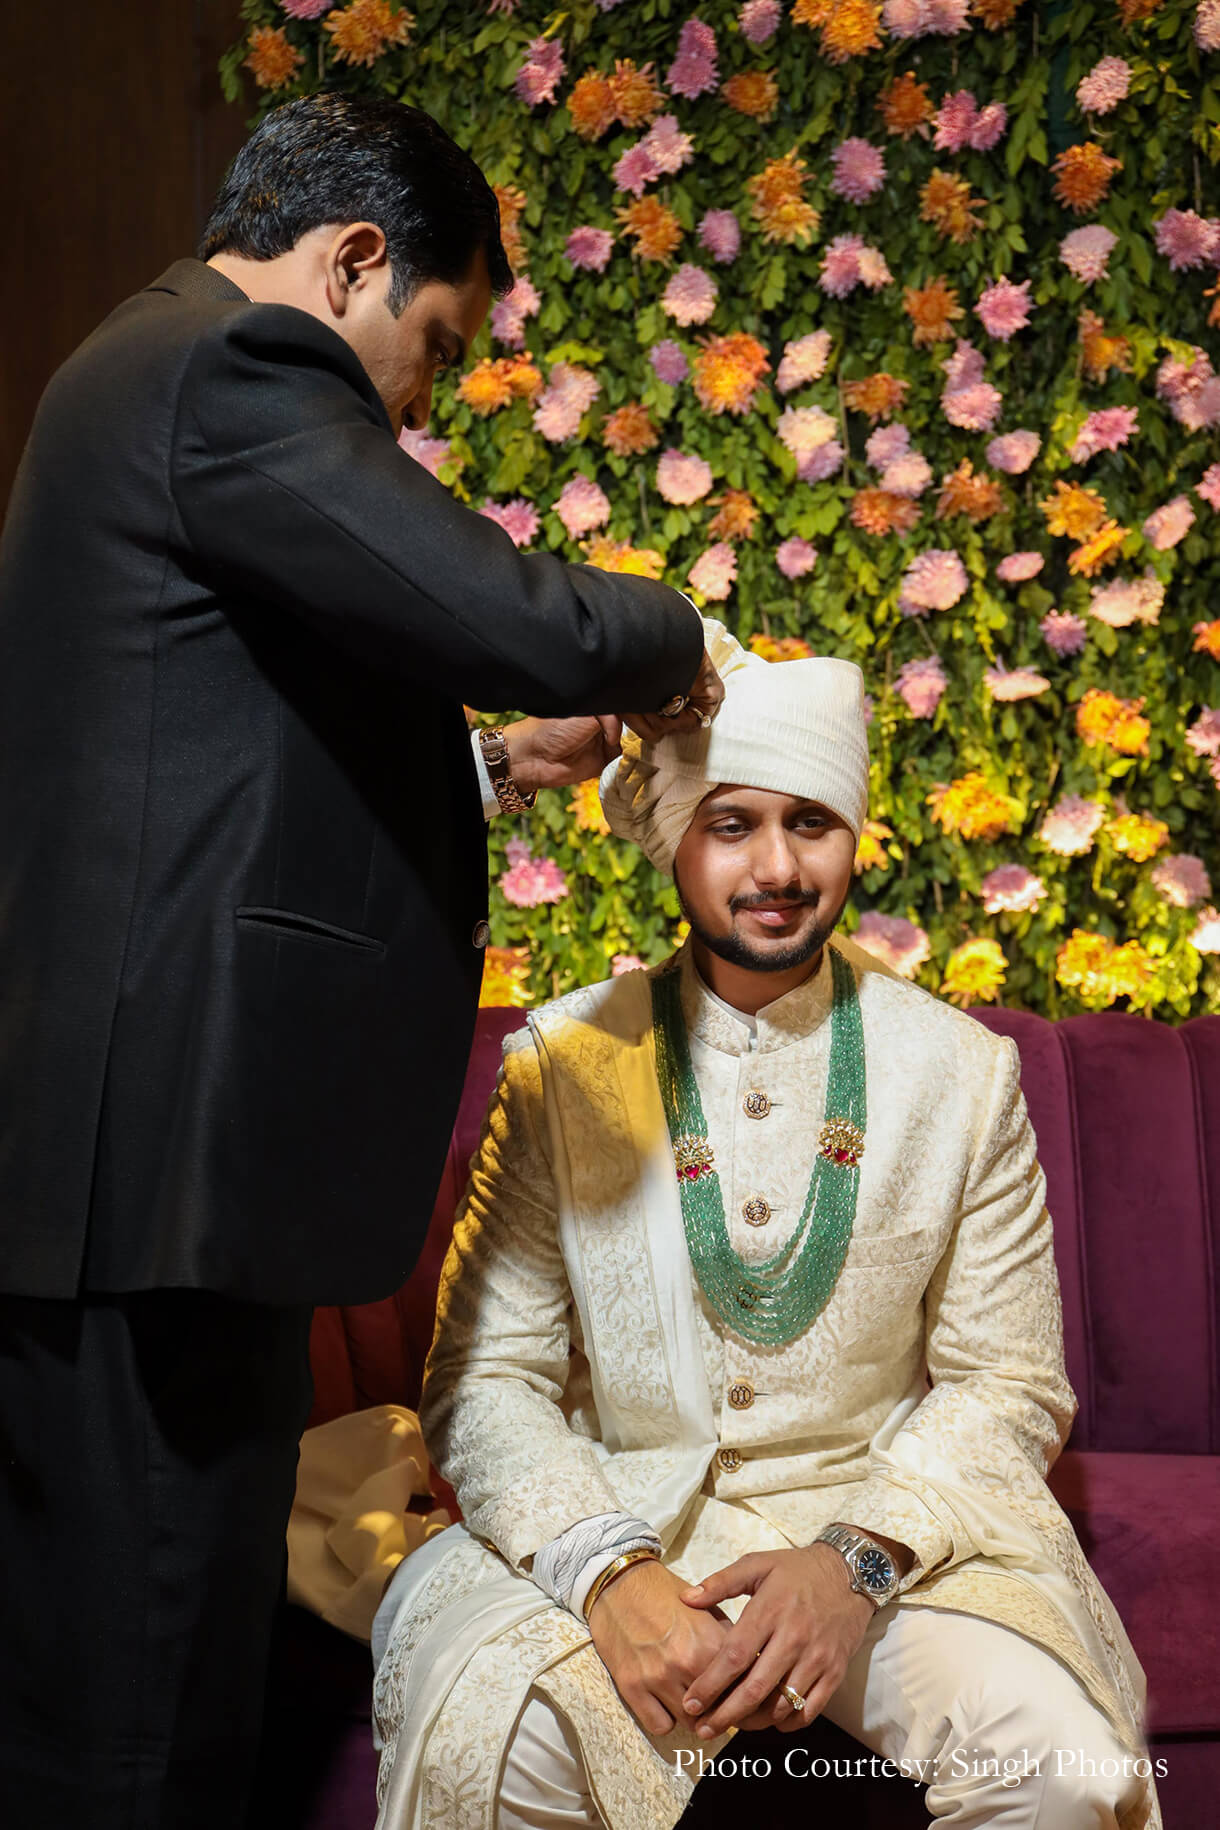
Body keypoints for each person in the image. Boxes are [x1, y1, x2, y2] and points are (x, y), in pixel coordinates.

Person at [0, 91, 722, 1828]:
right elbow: (498, 609)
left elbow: (231, 766)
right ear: (354, 258)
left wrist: (481, 768)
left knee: (150, 1671)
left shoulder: (152, 372)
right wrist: (680, 631)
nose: (423, 397)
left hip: (154, 1165)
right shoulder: (233, 365)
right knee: (137, 1714)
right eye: (437, 344)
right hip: (154, 1170)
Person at [369, 621, 1161, 1830]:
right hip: (625, 1520)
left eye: (811, 822)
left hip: (880, 1536)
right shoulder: (561, 1069)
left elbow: (1006, 1385)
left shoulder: (957, 1073)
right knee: (504, 1740)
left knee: (1050, 1763)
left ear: (854, 834)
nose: (777, 868)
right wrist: (608, 1572)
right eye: (731, 825)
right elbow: (484, 1381)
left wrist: (851, 1562)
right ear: (673, 844)